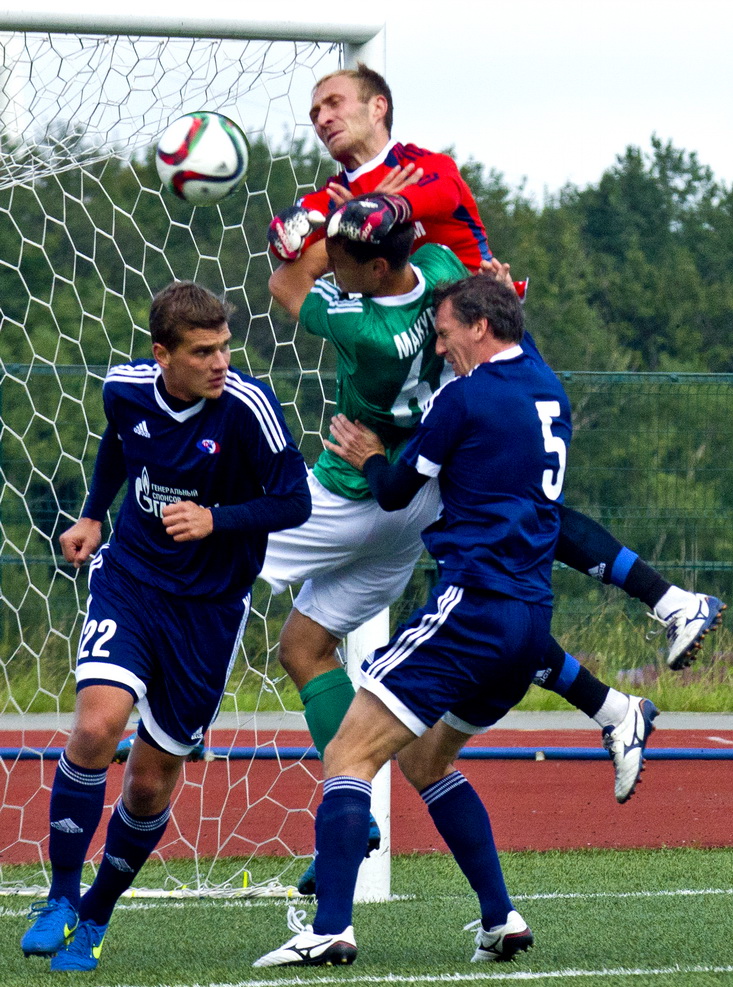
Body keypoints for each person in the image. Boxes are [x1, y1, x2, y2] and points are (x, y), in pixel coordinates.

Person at [265, 64, 724, 802]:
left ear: (378, 106)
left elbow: (363, 233)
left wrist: (317, 224)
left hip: (493, 349)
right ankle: (622, 692)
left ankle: (666, 611)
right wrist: (316, 220)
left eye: (335, 101)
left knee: (519, 528)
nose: (320, 116)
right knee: (498, 572)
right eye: (312, 108)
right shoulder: (342, 202)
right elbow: (318, 245)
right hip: (461, 366)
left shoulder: (422, 170)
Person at [254, 271, 571, 967]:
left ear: (480, 326)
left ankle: (331, 925)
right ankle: (500, 917)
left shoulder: (465, 396)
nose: (440, 341)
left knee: (348, 754)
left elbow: (396, 493)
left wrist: (369, 456)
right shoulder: (547, 390)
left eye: (448, 329)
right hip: (527, 613)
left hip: (470, 608)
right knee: (426, 761)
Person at [20, 281, 311, 972]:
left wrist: (218, 520)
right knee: (95, 727)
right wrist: (94, 512)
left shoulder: (247, 407)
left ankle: (94, 917)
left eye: (225, 348)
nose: (220, 363)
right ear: (163, 355)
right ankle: (60, 897)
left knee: (149, 782)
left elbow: (293, 499)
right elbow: (119, 444)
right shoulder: (124, 388)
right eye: (203, 351)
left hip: (210, 611)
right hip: (132, 582)